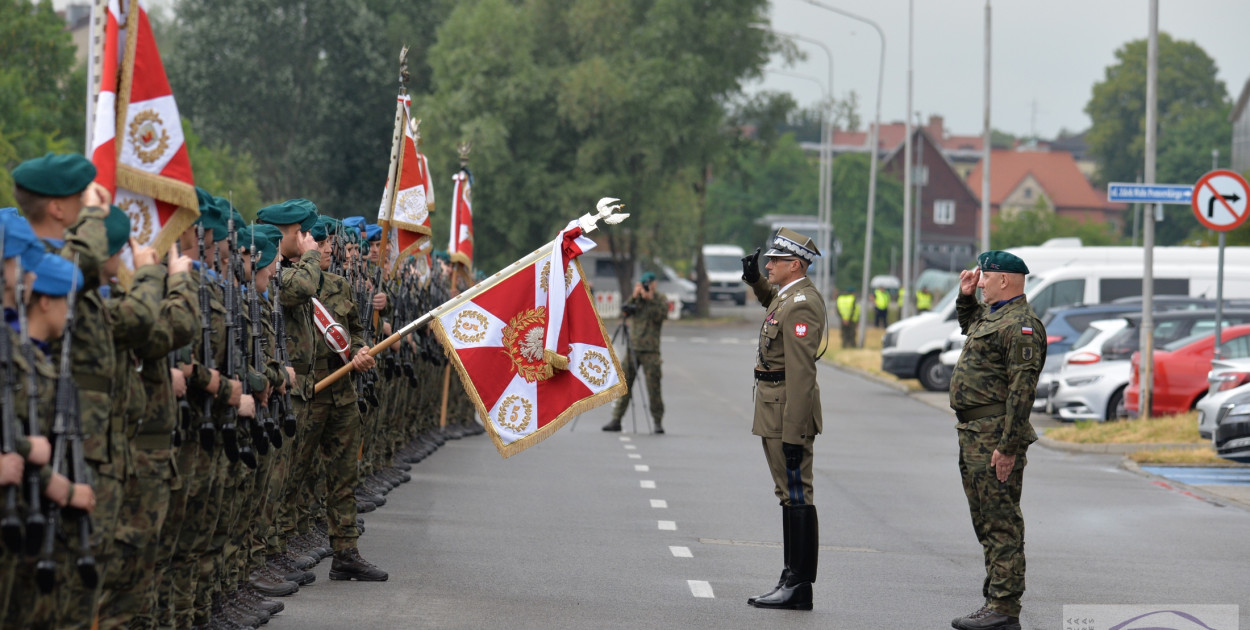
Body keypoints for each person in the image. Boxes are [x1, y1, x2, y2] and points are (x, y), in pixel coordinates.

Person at [948, 251, 1045, 630]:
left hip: (993, 436)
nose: (981, 281)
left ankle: (1004, 608)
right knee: (985, 522)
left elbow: (1023, 392)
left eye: (985, 277)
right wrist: (965, 295)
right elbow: (970, 325)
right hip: (974, 433)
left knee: (1001, 521)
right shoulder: (995, 315)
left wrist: (1007, 447)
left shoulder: (1022, 325)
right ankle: (994, 601)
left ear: (1005, 279)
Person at [740, 228, 826, 611]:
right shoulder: (789, 296)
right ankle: (791, 577)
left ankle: (798, 584)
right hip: (773, 405)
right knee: (787, 495)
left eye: (775, 261)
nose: (769, 264)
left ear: (796, 265)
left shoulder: (803, 304)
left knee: (795, 494)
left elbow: (803, 373)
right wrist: (755, 279)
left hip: (785, 411)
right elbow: (772, 299)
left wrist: (794, 433)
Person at [602, 271, 667, 434]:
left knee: (654, 388)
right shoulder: (636, 299)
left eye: (648, 283)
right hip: (634, 348)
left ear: (654, 284)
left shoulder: (659, 300)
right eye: (643, 284)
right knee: (624, 384)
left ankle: (657, 421)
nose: (646, 286)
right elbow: (625, 311)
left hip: (651, 350)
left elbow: (661, 315)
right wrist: (634, 296)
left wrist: (650, 299)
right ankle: (616, 419)